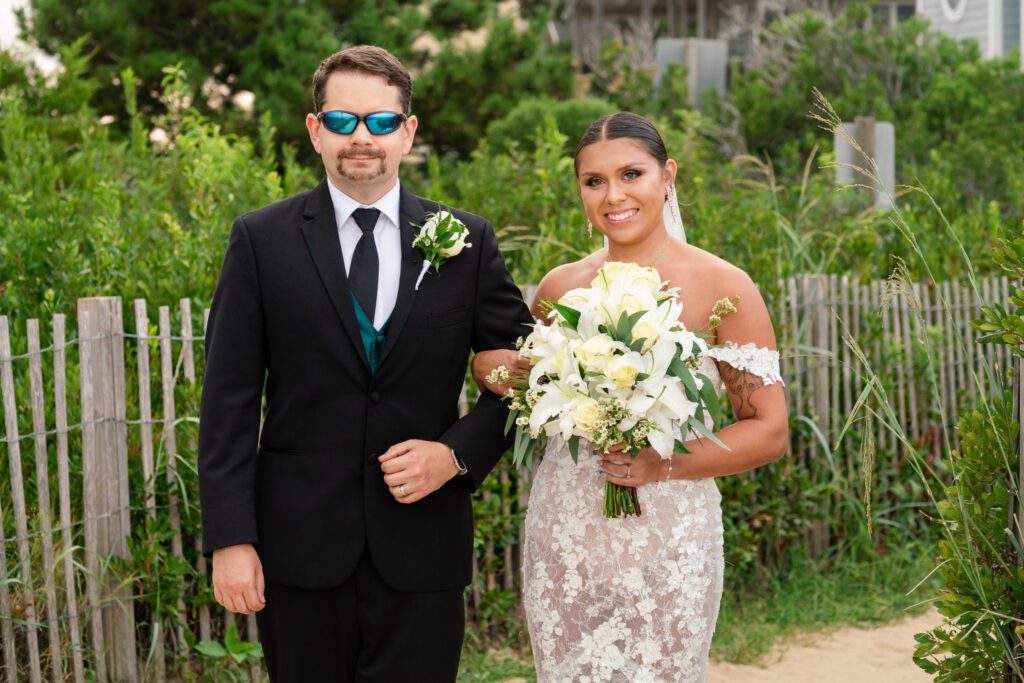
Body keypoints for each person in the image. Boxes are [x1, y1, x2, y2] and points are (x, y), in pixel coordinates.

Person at [198, 45, 532, 682]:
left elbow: (528, 378)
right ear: (315, 129)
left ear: (407, 132)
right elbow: (228, 401)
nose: (361, 138)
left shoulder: (466, 240)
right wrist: (230, 538)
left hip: (423, 542)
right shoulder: (260, 240)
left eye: (380, 122)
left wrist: (456, 454)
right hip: (297, 546)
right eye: (343, 120)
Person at [473, 112, 790, 681]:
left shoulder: (724, 286)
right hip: (567, 533)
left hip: (671, 538)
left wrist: (661, 464)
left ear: (668, 176)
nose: (613, 196)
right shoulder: (559, 287)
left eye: (631, 174)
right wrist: (500, 372)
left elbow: (768, 429)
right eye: (594, 182)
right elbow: (529, 392)